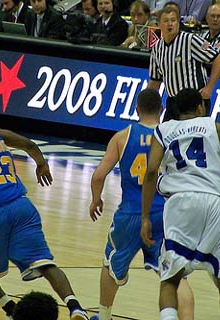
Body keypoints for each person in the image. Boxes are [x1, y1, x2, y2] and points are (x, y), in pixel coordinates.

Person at [0, 105, 89, 320]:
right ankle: (76, 307)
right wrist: (41, 164)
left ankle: (11, 310)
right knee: (45, 263)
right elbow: (28, 144)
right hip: (23, 206)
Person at [140, 88, 220, 320]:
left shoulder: (163, 130)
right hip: (216, 202)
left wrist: (146, 216)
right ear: (200, 107)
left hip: (180, 202)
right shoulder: (215, 128)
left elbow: (151, 172)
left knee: (170, 280)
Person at [88, 89, 194, 320]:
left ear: (136, 109)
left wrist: (96, 199)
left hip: (130, 213)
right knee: (175, 274)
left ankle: (104, 316)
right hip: (163, 214)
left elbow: (98, 176)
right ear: (162, 110)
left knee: (110, 263)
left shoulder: (122, 136)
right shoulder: (171, 137)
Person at [148, 5, 220, 121]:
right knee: (165, 136)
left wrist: (209, 87)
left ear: (178, 23)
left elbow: (218, 58)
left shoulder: (190, 40)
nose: (170, 24)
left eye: (173, 20)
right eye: (166, 21)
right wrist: (147, 102)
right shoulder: (157, 48)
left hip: (193, 103)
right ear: (158, 25)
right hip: (173, 102)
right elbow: (155, 81)